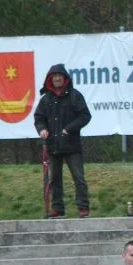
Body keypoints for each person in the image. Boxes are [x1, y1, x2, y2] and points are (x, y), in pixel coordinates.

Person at [34, 64, 93, 219]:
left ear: (65, 78)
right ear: (50, 79)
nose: (57, 79)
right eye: (54, 77)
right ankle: (57, 208)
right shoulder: (46, 99)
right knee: (54, 179)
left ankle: (83, 207)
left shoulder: (75, 96)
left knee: (78, 177)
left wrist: (69, 128)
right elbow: (38, 118)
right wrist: (42, 129)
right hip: (52, 145)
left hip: (72, 145)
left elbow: (85, 116)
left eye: (59, 76)